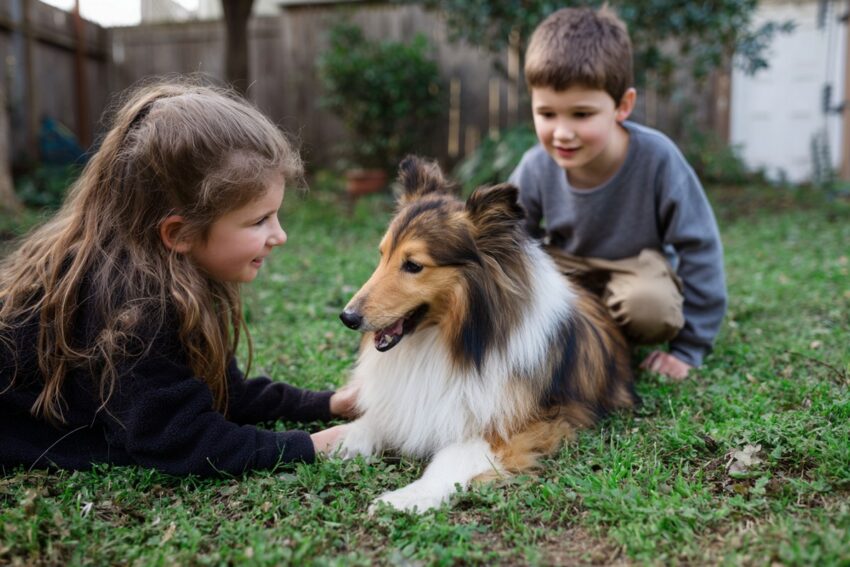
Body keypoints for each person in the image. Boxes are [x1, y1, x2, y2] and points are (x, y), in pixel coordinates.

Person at [0, 80, 354, 476]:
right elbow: (179, 441)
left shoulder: (172, 271)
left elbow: (217, 392)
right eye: (259, 221)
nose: (280, 235)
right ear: (179, 233)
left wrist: (325, 404)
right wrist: (313, 444)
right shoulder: (134, 308)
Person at [508, 7, 727, 380]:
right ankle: (581, 328)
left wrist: (688, 349)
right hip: (567, 269)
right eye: (547, 114)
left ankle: (600, 331)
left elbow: (699, 247)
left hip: (636, 267)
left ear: (622, 106)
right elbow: (506, 237)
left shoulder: (658, 158)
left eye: (581, 114)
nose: (562, 132)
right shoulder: (535, 166)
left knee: (650, 307)